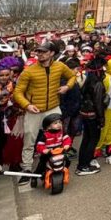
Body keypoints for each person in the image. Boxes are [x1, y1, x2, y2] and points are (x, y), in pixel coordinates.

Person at [12, 41, 76, 181]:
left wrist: (67, 87)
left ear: (52, 53)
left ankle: (57, 163)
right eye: (38, 51)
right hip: (34, 110)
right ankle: (27, 169)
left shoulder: (60, 66)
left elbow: (72, 76)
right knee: (30, 139)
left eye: (43, 51)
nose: (39, 54)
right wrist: (27, 105)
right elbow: (17, 92)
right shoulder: (29, 70)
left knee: (58, 137)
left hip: (53, 107)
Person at [75, 56, 108, 176]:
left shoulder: (88, 80)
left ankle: (81, 164)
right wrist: (101, 119)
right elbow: (99, 104)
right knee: (92, 140)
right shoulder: (98, 84)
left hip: (85, 113)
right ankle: (84, 166)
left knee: (86, 139)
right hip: (93, 115)